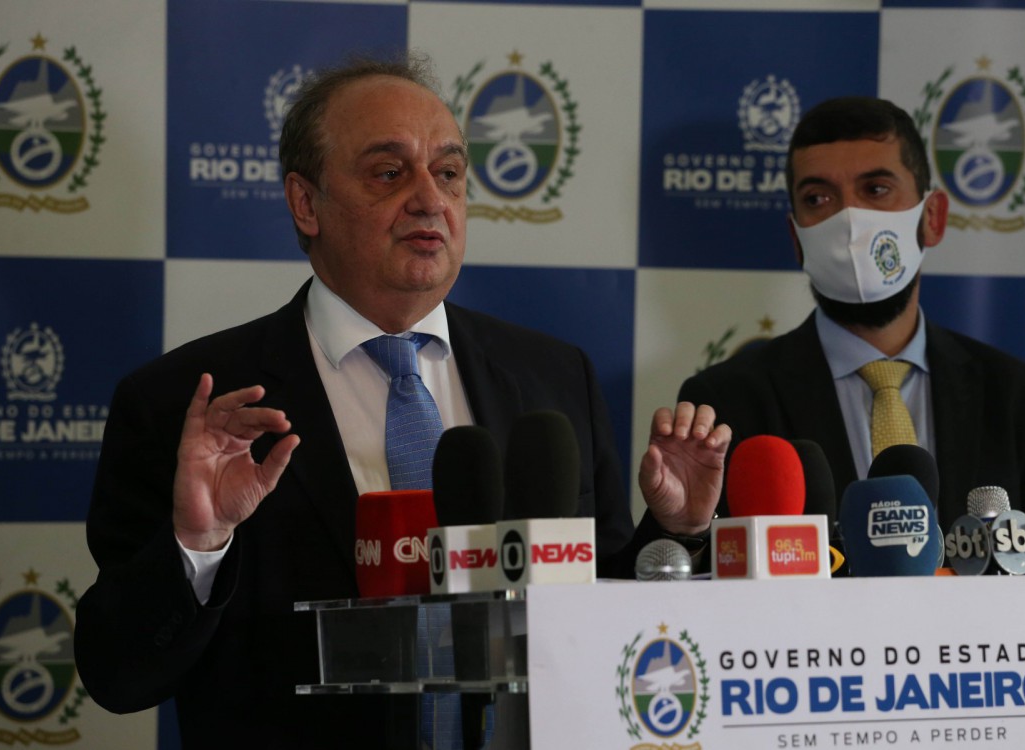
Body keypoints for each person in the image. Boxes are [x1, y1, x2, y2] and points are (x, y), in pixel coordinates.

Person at [74, 54, 725, 748]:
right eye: (389, 172)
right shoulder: (187, 401)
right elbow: (119, 677)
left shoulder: (553, 377)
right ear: (305, 202)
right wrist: (197, 546)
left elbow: (604, 617)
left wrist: (675, 531)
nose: (429, 198)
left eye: (447, 173)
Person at [677, 97, 1025, 575]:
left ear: (933, 218)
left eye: (876, 188)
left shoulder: (1018, 398)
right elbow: (702, 588)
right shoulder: (727, 400)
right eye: (818, 199)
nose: (849, 223)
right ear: (796, 238)